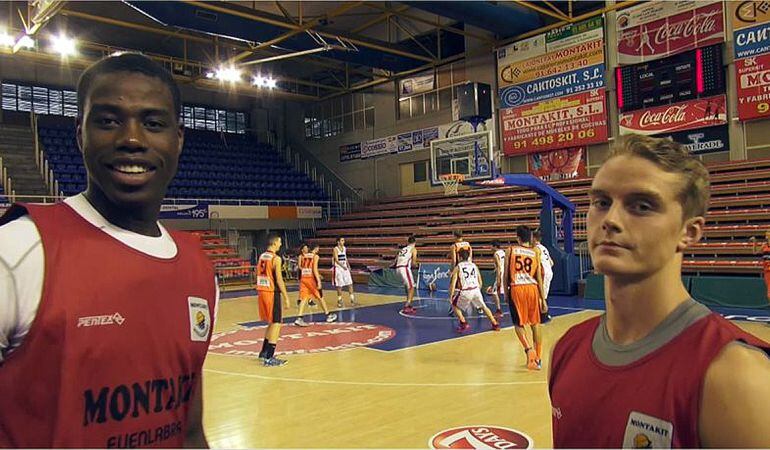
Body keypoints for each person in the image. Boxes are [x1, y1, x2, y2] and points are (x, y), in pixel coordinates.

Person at [0, 53, 217, 447]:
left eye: (152, 124)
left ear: (178, 139)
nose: (132, 140)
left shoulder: (199, 268)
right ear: (80, 134)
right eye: (108, 121)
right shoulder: (17, 251)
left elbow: (189, 431)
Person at [549, 135, 770, 447]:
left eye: (641, 206)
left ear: (689, 232)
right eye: (601, 202)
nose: (610, 220)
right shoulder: (566, 349)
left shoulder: (735, 376)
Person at [504, 225, 546, 371]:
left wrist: (505, 292)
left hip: (517, 289)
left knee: (518, 323)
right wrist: (543, 299)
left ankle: (529, 350)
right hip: (533, 288)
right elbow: (540, 277)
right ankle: (538, 359)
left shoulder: (510, 250)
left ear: (518, 238)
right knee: (535, 323)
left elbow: (505, 276)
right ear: (530, 238)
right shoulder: (535, 252)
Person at [255, 234, 291, 366]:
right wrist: (286, 296)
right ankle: (269, 357)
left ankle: (263, 352)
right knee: (276, 323)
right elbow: (280, 280)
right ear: (275, 243)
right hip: (271, 292)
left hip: (261, 291)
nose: (281, 244)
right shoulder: (276, 259)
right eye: (280, 242)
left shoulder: (261, 256)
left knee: (271, 322)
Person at [449, 248, 500, 333]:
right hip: (476, 289)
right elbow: (480, 280)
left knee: (454, 305)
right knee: (484, 307)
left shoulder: (458, 267)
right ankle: (495, 323)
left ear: (460, 257)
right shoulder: (474, 265)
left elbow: (453, 283)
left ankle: (463, 323)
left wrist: (451, 295)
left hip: (466, 290)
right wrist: (478, 289)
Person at [294, 243, 337, 326]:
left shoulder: (305, 255)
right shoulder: (315, 256)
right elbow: (314, 269)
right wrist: (319, 280)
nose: (319, 250)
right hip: (311, 279)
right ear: (316, 248)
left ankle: (299, 318)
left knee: (304, 298)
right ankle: (328, 315)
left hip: (303, 278)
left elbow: (303, 267)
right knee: (320, 297)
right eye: (318, 249)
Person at [532, 229, 554, 323]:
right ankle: (544, 314)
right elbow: (552, 263)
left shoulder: (536, 249)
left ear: (534, 238)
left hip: (544, 273)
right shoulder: (544, 248)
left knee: (541, 296)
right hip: (549, 271)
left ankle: (543, 316)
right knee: (543, 295)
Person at [396, 235, 419, 314]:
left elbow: (396, 260)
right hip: (404, 268)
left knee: (407, 287)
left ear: (408, 242)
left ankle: (409, 303)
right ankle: (407, 306)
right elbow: (414, 263)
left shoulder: (403, 249)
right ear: (414, 242)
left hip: (398, 268)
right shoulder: (413, 249)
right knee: (412, 287)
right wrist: (417, 265)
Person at [332, 236, 356, 307]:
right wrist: (342, 266)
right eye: (342, 240)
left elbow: (345, 258)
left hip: (345, 268)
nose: (343, 242)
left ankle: (352, 299)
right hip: (339, 269)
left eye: (344, 240)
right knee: (340, 285)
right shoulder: (335, 249)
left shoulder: (345, 248)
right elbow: (336, 259)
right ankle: (339, 300)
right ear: (338, 242)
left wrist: (348, 265)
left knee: (350, 283)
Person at [486, 240, 505, 318]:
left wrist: (498, 279)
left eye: (491, 246)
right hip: (505, 273)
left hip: (500, 274)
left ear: (494, 246)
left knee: (494, 292)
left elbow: (499, 267)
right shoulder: (503, 252)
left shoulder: (496, 254)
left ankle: (499, 310)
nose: (490, 247)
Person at [751, 230, 770, 303]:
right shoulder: (764, 245)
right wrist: (754, 242)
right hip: (767, 271)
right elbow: (755, 252)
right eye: (767, 234)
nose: (767, 235)